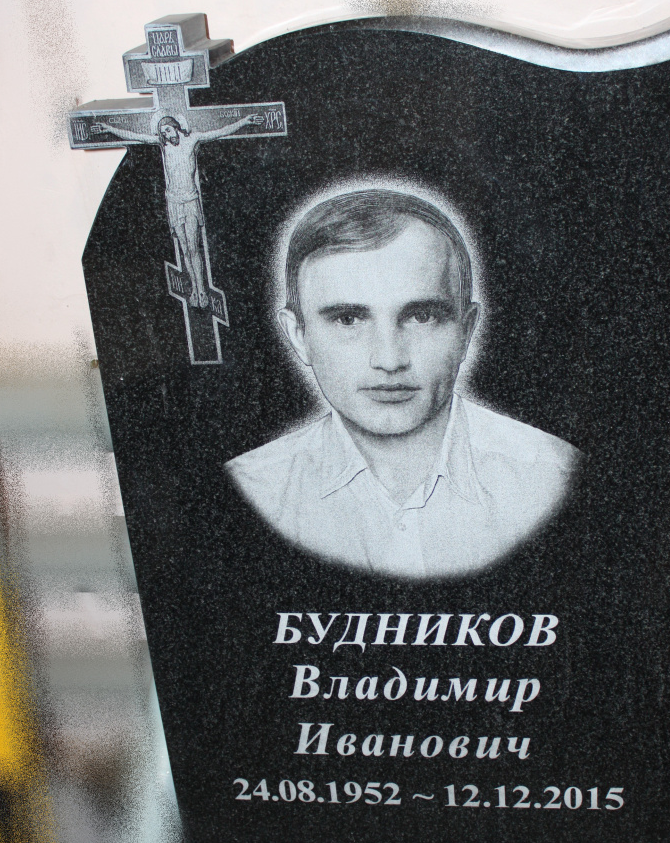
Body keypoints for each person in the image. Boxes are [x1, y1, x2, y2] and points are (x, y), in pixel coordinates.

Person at [226, 189, 578, 578]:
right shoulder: (247, 490)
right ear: (298, 336)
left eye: (422, 316)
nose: (390, 360)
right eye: (348, 319)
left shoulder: (558, 478)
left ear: (466, 331)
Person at [92, 112, 268, 309]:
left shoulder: (192, 139)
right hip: (174, 203)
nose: (167, 135)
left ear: (176, 126)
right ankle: (194, 289)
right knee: (184, 248)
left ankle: (202, 290)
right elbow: (135, 136)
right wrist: (109, 129)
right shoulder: (164, 145)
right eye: (163, 133)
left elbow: (220, 132)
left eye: (168, 130)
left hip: (190, 200)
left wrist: (244, 121)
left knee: (193, 247)